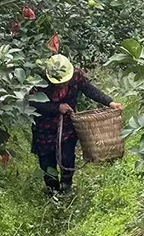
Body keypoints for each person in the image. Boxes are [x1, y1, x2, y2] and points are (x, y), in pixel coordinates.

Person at [30, 54, 123, 195]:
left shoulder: (76, 76)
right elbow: (32, 102)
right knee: (46, 159)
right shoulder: (39, 82)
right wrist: (56, 108)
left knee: (67, 155)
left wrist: (110, 102)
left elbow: (90, 90)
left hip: (67, 126)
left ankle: (66, 187)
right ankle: (52, 190)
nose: (62, 85)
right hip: (44, 127)